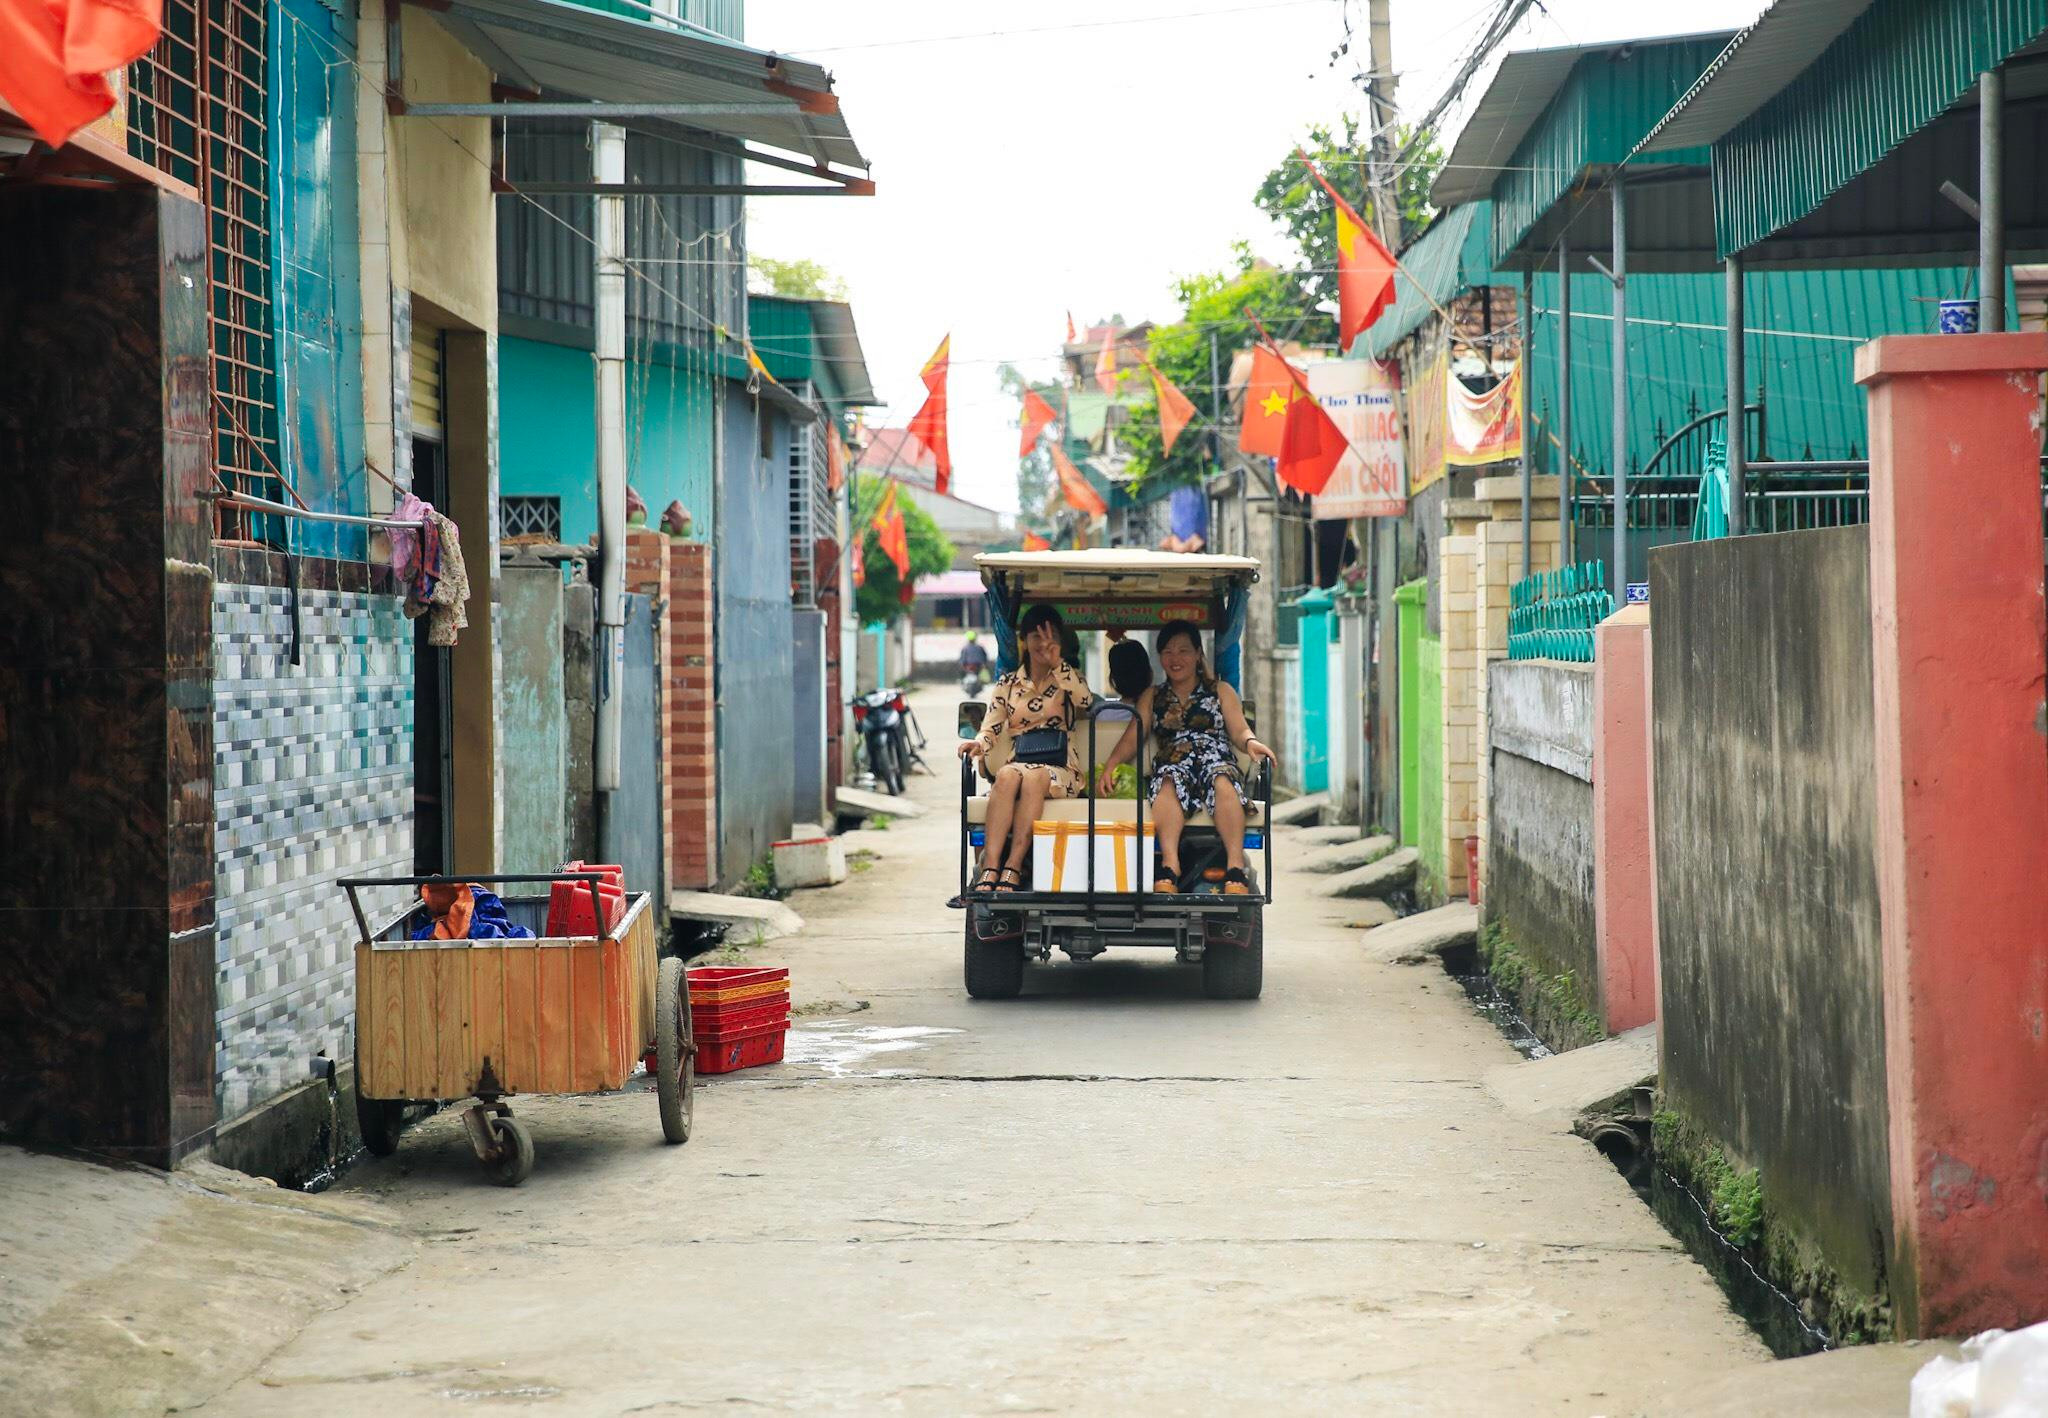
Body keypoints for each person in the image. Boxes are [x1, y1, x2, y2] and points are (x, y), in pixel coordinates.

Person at [1094, 620, 1275, 895]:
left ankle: (1235, 867)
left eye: (1183, 651)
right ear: (1159, 657)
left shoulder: (1220, 690)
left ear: (1198, 653)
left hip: (1215, 757)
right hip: (1174, 760)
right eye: (1167, 652)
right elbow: (1134, 735)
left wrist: (1251, 742)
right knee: (1167, 781)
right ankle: (1170, 866)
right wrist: (1110, 765)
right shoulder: (1152, 696)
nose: (1175, 659)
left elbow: (1239, 728)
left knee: (1222, 779)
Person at [957, 604, 1094, 892]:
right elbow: (991, 727)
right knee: (1006, 775)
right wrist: (978, 744)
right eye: (1035, 635)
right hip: (1019, 761)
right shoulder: (1007, 684)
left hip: (1061, 768)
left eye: (1050, 635)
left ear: (1059, 639)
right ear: (1024, 640)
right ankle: (991, 866)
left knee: (1031, 776)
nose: (1042, 642)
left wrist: (1057, 663)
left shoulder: (1069, 677)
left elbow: (1086, 702)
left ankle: (1014, 866)